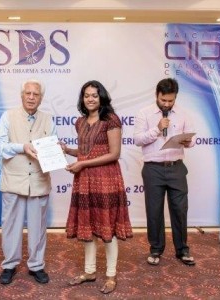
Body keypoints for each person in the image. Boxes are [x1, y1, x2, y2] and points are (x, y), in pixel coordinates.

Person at [62, 80, 133, 295]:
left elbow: (114, 154)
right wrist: (67, 150)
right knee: (89, 227)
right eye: (86, 95)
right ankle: (89, 271)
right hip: (85, 181)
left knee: (107, 228)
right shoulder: (80, 122)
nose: (90, 99)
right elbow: (85, 151)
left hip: (106, 179)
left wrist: (82, 163)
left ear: (101, 97)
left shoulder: (110, 120)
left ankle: (111, 275)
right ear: (82, 99)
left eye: (94, 95)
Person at [0, 79, 55, 286]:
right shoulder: (8, 116)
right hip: (13, 180)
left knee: (38, 227)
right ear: (21, 95)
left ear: (41, 98)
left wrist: (56, 150)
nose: (31, 97)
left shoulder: (48, 119)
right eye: (27, 93)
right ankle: (9, 264)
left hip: (39, 181)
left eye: (35, 94)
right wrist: (22, 147)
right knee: (10, 225)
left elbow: (51, 148)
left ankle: (36, 265)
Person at [133, 78, 196, 267]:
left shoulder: (184, 113)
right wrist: (157, 129)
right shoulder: (144, 114)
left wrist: (188, 141)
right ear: (157, 96)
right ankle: (156, 249)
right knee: (154, 211)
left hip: (176, 167)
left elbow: (192, 139)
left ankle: (182, 250)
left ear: (175, 97)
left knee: (179, 210)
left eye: (170, 100)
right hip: (153, 169)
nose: (167, 104)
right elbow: (137, 139)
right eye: (163, 100)